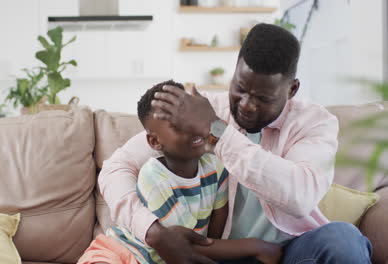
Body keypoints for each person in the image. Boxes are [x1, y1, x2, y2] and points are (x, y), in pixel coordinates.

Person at [99, 23, 373, 263]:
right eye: (240, 88)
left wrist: (218, 131)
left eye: (263, 98)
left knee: (344, 239)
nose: (246, 106)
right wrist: (152, 232)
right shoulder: (204, 109)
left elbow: (300, 197)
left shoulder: (314, 123)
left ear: (291, 90)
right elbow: (115, 168)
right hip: (221, 253)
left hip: (287, 252)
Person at [79, 80, 282, 264]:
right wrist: (257, 246)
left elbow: (214, 231)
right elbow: (183, 245)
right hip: (122, 254)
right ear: (155, 141)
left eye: (191, 119)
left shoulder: (215, 166)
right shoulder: (154, 177)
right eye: (177, 125)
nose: (191, 128)